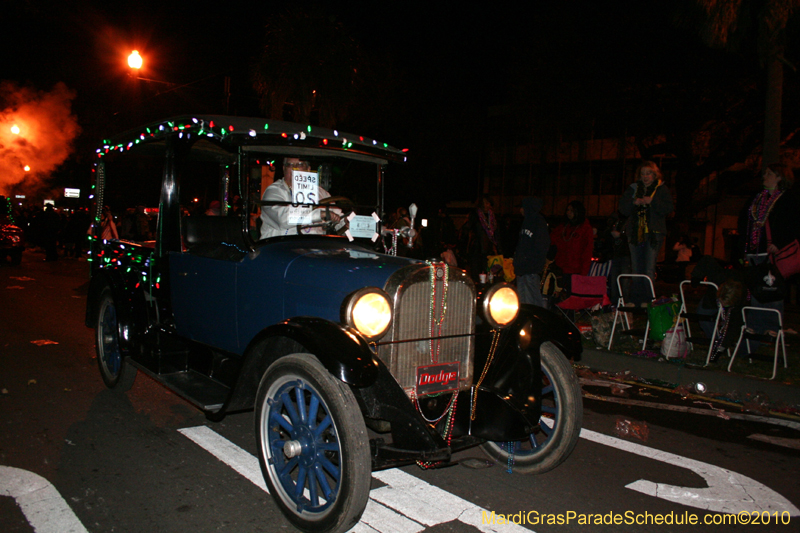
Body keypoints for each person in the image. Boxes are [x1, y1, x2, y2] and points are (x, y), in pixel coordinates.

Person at [738, 163, 800, 337]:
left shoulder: (788, 199)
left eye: (769, 173)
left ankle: (772, 325)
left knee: (772, 289)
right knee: (756, 288)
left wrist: (780, 243)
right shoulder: (757, 198)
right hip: (754, 250)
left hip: (772, 253)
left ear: (779, 177)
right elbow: (744, 222)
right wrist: (744, 246)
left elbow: (793, 225)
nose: (765, 176)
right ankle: (754, 323)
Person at [619, 161, 674, 304]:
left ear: (655, 174)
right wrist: (633, 203)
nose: (645, 176)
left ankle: (648, 300)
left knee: (649, 267)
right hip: (635, 233)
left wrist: (652, 202)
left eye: (648, 173)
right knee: (636, 267)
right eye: (642, 173)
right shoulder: (633, 189)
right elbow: (622, 208)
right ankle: (636, 299)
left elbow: (668, 209)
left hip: (654, 233)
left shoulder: (661, 189)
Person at [259, 158, 338, 239]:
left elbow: (338, 218)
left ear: (308, 169)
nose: (294, 168)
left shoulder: (321, 193)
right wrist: (319, 214)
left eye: (300, 165)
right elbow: (282, 219)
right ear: (284, 169)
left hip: (316, 246)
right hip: (283, 246)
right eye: (290, 165)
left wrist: (346, 223)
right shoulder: (274, 191)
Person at [514, 197, 550, 307]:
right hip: (522, 269)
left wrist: (531, 262)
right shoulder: (526, 222)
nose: (520, 210)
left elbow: (542, 246)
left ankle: (535, 322)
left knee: (532, 301)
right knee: (523, 301)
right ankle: (526, 321)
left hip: (531, 269)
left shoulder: (539, 223)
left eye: (522, 207)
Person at [550, 200, 593, 276]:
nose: (568, 213)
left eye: (571, 210)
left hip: (576, 270)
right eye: (567, 210)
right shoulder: (563, 227)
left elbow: (587, 252)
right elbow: (551, 240)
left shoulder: (585, 228)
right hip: (560, 268)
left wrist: (584, 273)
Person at [466, 196, 501, 282]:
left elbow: (497, 233)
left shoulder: (492, 216)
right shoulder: (475, 215)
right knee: (476, 273)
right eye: (486, 203)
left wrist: (498, 248)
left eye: (489, 203)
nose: (488, 205)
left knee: (489, 273)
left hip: (489, 249)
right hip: (477, 249)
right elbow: (468, 229)